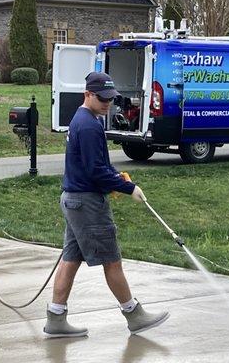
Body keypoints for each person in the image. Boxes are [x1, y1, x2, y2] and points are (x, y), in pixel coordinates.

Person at [44, 72, 169, 338]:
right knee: (112, 261)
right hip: (87, 203)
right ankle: (134, 315)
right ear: (87, 94)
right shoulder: (89, 125)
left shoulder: (84, 119)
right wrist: (127, 187)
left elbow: (99, 165)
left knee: (71, 259)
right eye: (102, 99)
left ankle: (56, 317)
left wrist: (116, 178)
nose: (107, 104)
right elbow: (95, 171)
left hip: (74, 199)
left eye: (110, 99)